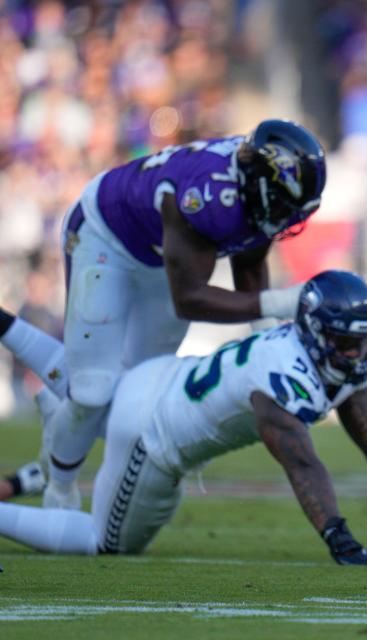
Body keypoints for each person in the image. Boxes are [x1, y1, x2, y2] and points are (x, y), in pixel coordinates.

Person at [0, 271, 367, 561]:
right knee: (103, 544)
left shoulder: (317, 356)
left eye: (362, 342)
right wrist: (338, 536)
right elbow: (301, 462)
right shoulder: (283, 374)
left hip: (153, 378)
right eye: (345, 343)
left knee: (83, 383)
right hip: (151, 436)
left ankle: (8, 333)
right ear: (315, 333)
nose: (354, 354)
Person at [16, 119, 327, 510]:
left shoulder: (252, 186)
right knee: (93, 389)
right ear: (260, 185)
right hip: (106, 236)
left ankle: (62, 418)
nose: (288, 218)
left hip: (161, 256)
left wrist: (267, 336)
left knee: (138, 395)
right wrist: (279, 305)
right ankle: (58, 486)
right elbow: (190, 299)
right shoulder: (207, 196)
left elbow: (250, 266)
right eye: (284, 204)